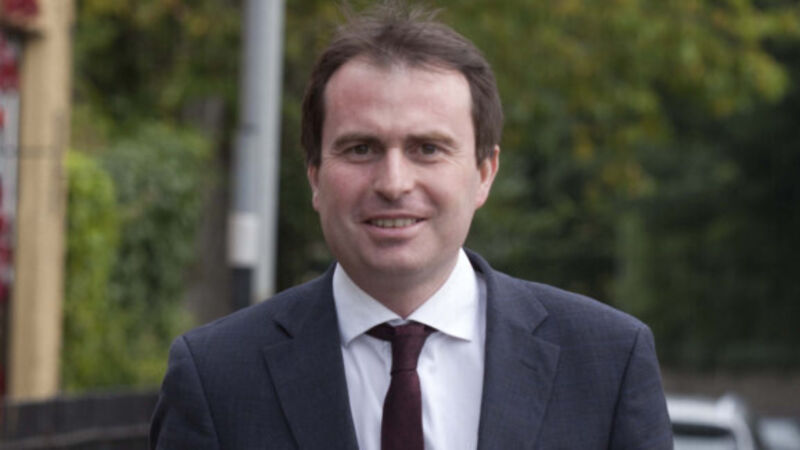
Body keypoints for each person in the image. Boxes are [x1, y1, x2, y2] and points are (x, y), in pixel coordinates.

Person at [150, 4, 673, 450]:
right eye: (361, 148)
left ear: (484, 173)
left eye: (427, 148)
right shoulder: (216, 377)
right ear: (315, 176)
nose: (394, 183)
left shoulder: (607, 362)